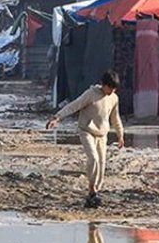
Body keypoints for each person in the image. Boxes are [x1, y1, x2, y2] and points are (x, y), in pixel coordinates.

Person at [46, 71, 124, 208]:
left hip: (102, 134)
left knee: (101, 164)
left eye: (114, 89)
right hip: (86, 131)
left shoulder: (113, 98)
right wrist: (57, 117)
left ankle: (93, 193)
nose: (112, 91)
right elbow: (74, 105)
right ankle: (92, 189)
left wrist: (120, 134)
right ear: (104, 84)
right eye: (110, 88)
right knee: (93, 159)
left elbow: (115, 118)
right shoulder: (91, 94)